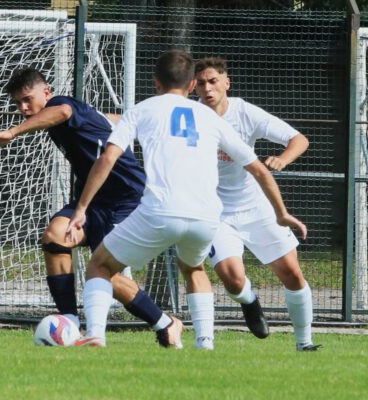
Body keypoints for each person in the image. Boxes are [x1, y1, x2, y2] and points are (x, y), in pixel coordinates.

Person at [66, 50, 306, 348]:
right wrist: (282, 212)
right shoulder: (209, 117)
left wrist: (81, 208)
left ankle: (95, 336)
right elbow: (258, 169)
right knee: (193, 268)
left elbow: (108, 159)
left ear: (155, 82)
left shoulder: (142, 109)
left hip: (160, 211)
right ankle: (204, 343)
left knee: (99, 265)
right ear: (192, 86)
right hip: (207, 217)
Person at [0, 68, 181, 347]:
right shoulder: (80, 113)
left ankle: (166, 323)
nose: (23, 108)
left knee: (103, 273)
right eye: (18, 104)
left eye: (27, 99)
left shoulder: (60, 106)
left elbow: (62, 112)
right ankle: (69, 322)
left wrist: (12, 132)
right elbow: (110, 119)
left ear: (47, 92)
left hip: (125, 199)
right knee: (54, 236)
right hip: (93, 200)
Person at [194, 56, 320, 351]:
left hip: (256, 206)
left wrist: (283, 159)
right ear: (193, 87)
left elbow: (298, 139)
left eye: (213, 81)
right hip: (216, 211)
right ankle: (249, 302)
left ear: (227, 83)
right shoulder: (191, 116)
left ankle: (305, 342)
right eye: (201, 83)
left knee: (292, 273)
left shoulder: (245, 113)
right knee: (233, 279)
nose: (207, 88)